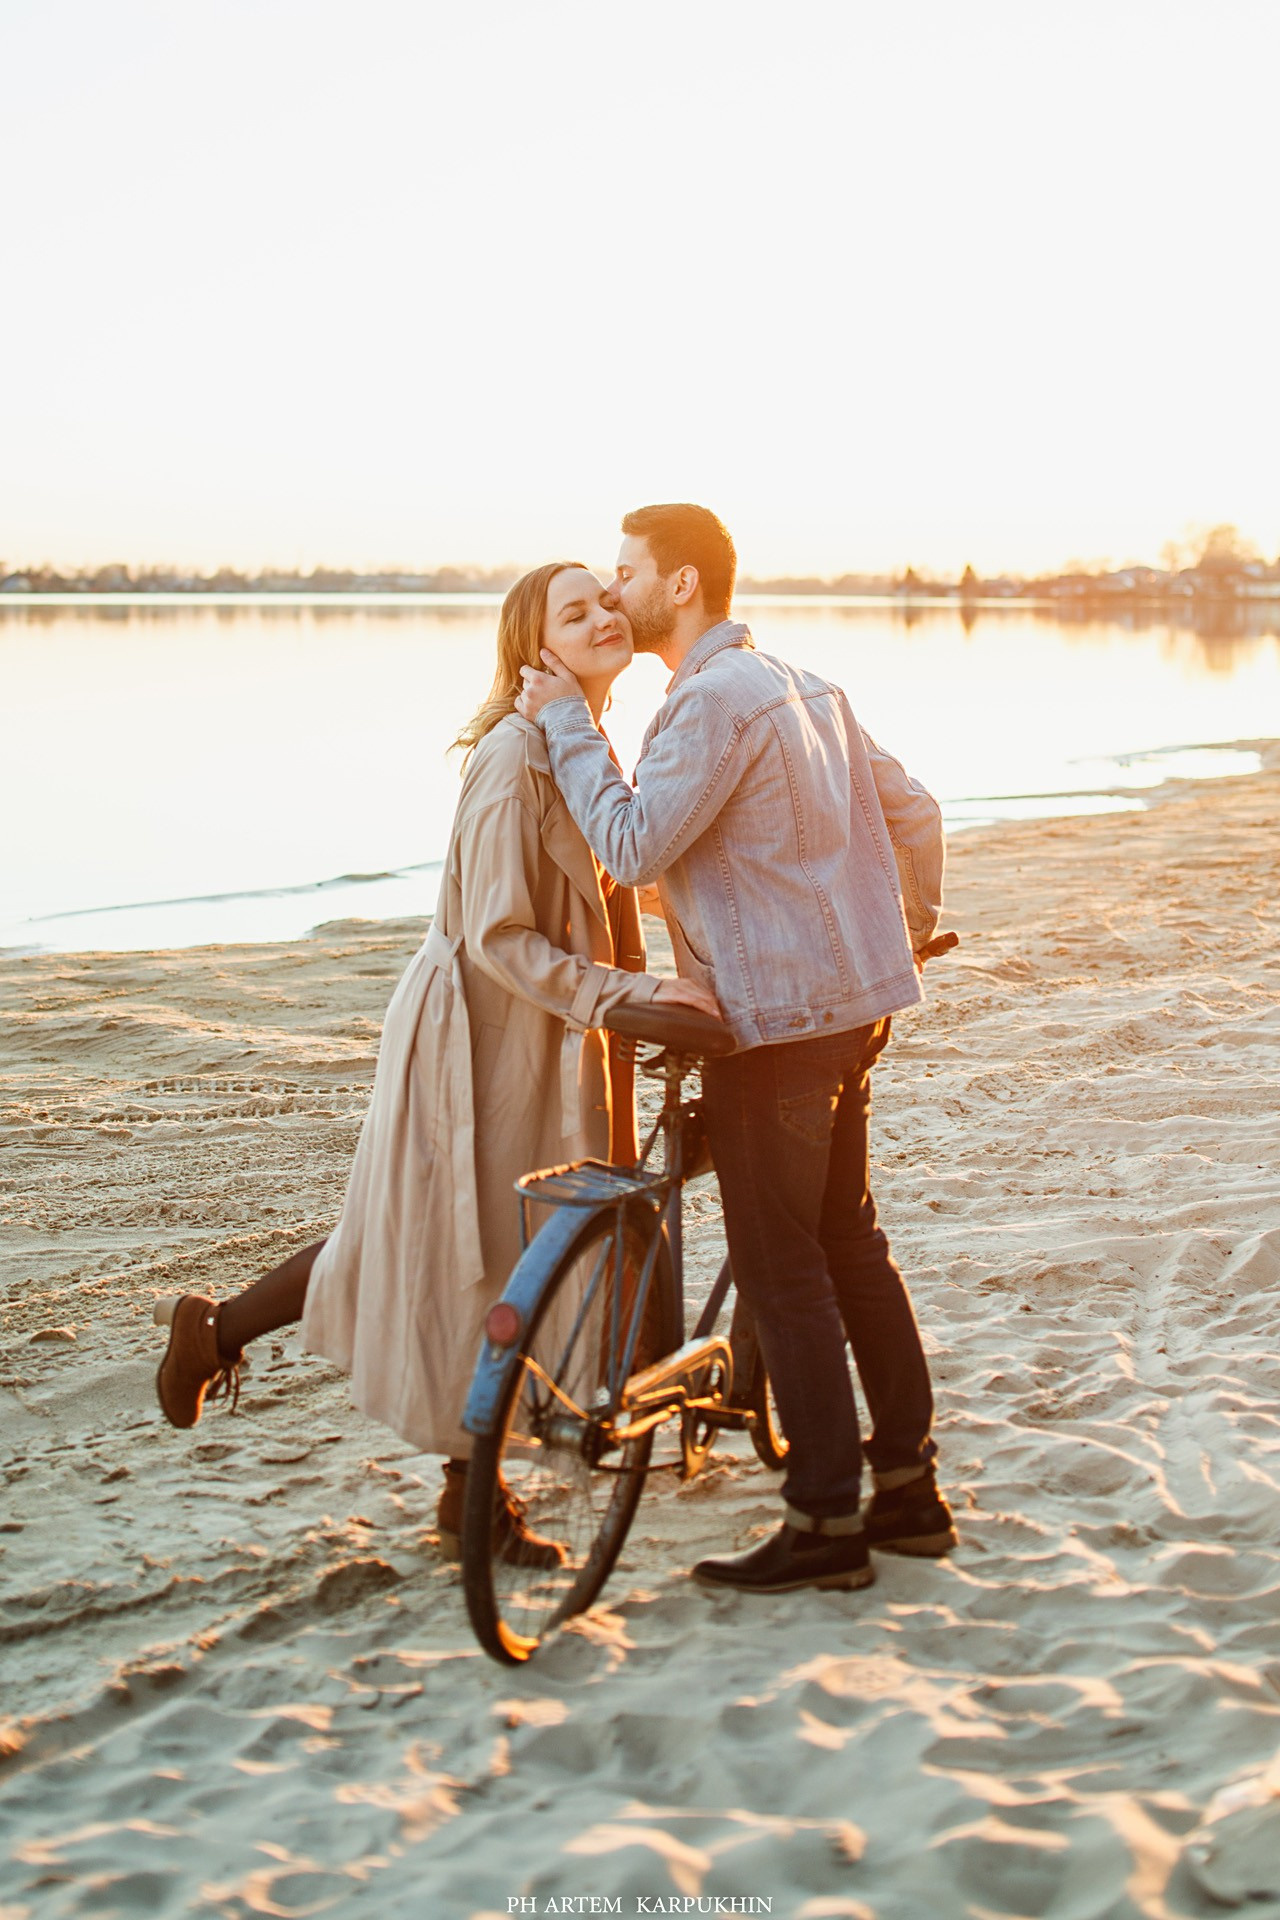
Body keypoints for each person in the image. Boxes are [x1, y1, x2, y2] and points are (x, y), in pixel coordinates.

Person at [152, 561, 720, 1563]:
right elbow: (498, 937)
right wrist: (622, 996)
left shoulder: (572, 736)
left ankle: (452, 1474)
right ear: (530, 647)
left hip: (545, 1028)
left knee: (469, 1242)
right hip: (482, 1031)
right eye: (571, 610)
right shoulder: (513, 758)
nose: (599, 617)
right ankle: (244, 1346)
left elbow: (602, 879)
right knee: (464, 1247)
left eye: (601, 600)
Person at [515, 503, 955, 1596]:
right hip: (855, 1014)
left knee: (782, 1267)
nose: (611, 593)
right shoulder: (804, 685)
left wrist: (571, 723)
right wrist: (902, 931)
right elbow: (917, 813)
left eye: (623, 573)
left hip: (774, 1029)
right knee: (849, 1243)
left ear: (679, 587)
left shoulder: (707, 705)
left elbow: (625, 842)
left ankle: (822, 1524)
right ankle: (907, 1493)